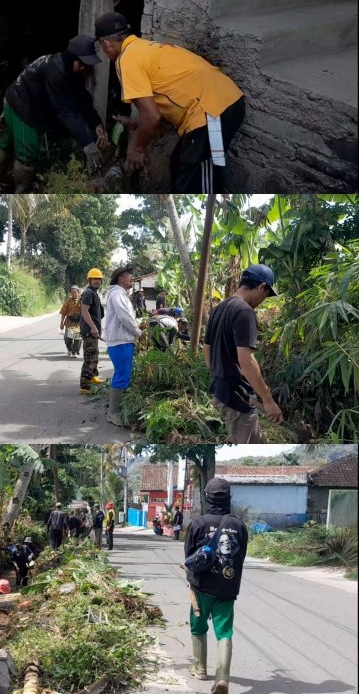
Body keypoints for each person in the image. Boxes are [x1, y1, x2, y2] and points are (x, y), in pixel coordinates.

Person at [95, 11, 245, 194]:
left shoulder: (126, 59)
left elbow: (151, 116)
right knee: (182, 165)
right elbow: (166, 97)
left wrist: (137, 149)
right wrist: (137, 123)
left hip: (212, 112)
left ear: (106, 43)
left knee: (199, 179)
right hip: (221, 102)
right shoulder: (146, 47)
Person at [0, 35, 108, 192]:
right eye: (82, 63)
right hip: (20, 106)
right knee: (28, 156)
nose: (85, 68)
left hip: (18, 98)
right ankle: (20, 194)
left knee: (9, 141)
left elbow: (81, 96)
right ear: (72, 58)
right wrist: (88, 144)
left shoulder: (69, 68)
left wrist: (95, 122)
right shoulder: (56, 71)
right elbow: (65, 111)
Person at [203, 265, 283, 444]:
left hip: (222, 391)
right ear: (262, 287)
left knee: (256, 441)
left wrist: (220, 376)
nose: (264, 300)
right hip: (234, 397)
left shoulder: (220, 308)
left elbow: (206, 348)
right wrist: (268, 401)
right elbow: (246, 359)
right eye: (266, 294)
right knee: (245, 443)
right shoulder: (244, 311)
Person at [185, 478, 248, 694]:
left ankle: (200, 668)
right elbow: (241, 556)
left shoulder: (198, 524)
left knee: (198, 625)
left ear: (207, 498)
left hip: (201, 586)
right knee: (224, 631)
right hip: (227, 588)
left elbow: (189, 557)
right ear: (228, 498)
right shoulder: (239, 525)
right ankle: (222, 677)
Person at [104, 265, 142, 425]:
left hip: (121, 341)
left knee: (121, 375)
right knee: (122, 376)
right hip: (121, 342)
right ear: (120, 278)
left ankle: (116, 409)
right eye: (129, 276)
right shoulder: (117, 294)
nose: (131, 278)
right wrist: (138, 332)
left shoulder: (119, 294)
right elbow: (125, 317)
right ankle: (113, 413)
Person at [79, 268, 105, 394]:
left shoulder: (94, 293)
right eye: (94, 279)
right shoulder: (89, 293)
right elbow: (84, 311)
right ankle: (84, 386)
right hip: (89, 331)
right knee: (89, 357)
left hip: (93, 331)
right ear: (90, 280)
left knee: (94, 355)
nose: (97, 281)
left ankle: (93, 377)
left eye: (99, 279)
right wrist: (93, 327)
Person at [59, 285, 83, 357]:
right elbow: (63, 313)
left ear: (78, 292)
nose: (73, 294)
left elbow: (85, 312)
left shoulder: (81, 301)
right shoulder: (68, 302)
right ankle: (69, 349)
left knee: (77, 339)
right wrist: (61, 323)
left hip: (78, 323)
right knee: (67, 339)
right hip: (69, 322)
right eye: (72, 292)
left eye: (75, 292)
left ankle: (75, 352)